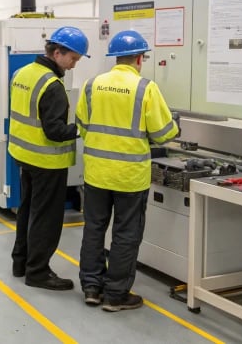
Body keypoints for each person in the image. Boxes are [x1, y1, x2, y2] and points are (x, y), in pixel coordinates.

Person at [76, 30, 179, 312]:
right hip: (130, 177)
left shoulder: (92, 84)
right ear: (139, 59)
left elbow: (83, 126)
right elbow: (163, 133)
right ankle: (117, 294)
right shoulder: (146, 88)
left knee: (94, 229)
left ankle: (91, 288)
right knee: (126, 233)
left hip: (97, 173)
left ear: (115, 57)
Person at [8, 26, 90, 291]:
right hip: (47, 162)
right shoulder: (52, 86)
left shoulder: (22, 73)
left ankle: (20, 263)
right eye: (73, 59)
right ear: (57, 53)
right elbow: (55, 132)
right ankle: (38, 272)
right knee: (47, 219)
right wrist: (82, 128)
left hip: (23, 155)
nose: (74, 65)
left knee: (28, 210)